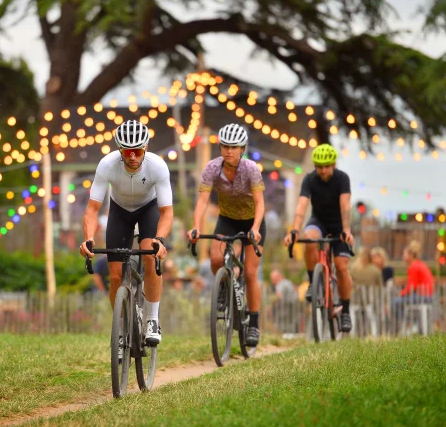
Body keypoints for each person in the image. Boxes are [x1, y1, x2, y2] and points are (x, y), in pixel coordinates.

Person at [79, 120, 173, 346]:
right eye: (128, 151)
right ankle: (120, 329)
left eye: (138, 151)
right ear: (120, 150)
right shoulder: (106, 165)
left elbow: (167, 212)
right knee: (114, 276)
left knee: (150, 257)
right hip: (119, 211)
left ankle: (152, 319)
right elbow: (92, 209)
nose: (133, 157)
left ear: (146, 149)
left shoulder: (158, 167)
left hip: (148, 209)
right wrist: (89, 238)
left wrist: (159, 240)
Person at [187, 123, 265, 347]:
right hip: (228, 220)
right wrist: (195, 226)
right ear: (220, 147)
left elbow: (260, 203)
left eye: (234, 147)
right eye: (225, 146)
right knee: (215, 258)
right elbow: (202, 201)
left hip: (252, 222)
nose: (229, 150)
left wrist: (256, 227)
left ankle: (255, 324)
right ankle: (223, 286)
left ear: (242, 148)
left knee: (250, 272)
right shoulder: (212, 168)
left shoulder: (251, 169)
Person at [283, 143, 354, 333]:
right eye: (319, 166)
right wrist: (295, 230)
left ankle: (345, 311)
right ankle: (313, 283)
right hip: (319, 222)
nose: (323, 170)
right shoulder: (309, 179)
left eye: (327, 166)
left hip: (339, 225)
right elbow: (301, 206)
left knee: (341, 266)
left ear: (334, 164)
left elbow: (345, 206)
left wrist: (346, 229)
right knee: (309, 238)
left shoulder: (342, 179)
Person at [394, 240, 434, 333]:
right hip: (428, 295)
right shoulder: (420, 264)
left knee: (395, 302)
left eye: (404, 254)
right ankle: (412, 324)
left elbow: (411, 287)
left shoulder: (413, 267)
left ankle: (407, 324)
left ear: (411, 255)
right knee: (402, 302)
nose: (403, 257)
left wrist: (401, 293)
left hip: (422, 296)